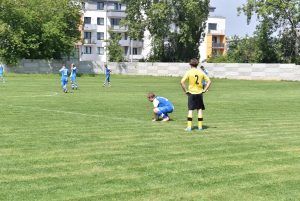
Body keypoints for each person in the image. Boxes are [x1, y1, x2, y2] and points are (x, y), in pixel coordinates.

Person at [180, 58, 211, 131]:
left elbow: (182, 82)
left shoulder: (188, 72)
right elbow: (209, 81)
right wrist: (205, 90)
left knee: (190, 110)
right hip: (199, 93)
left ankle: (189, 127)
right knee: (199, 109)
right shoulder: (201, 72)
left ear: (190, 64)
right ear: (197, 64)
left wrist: (186, 91)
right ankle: (200, 127)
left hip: (191, 93)